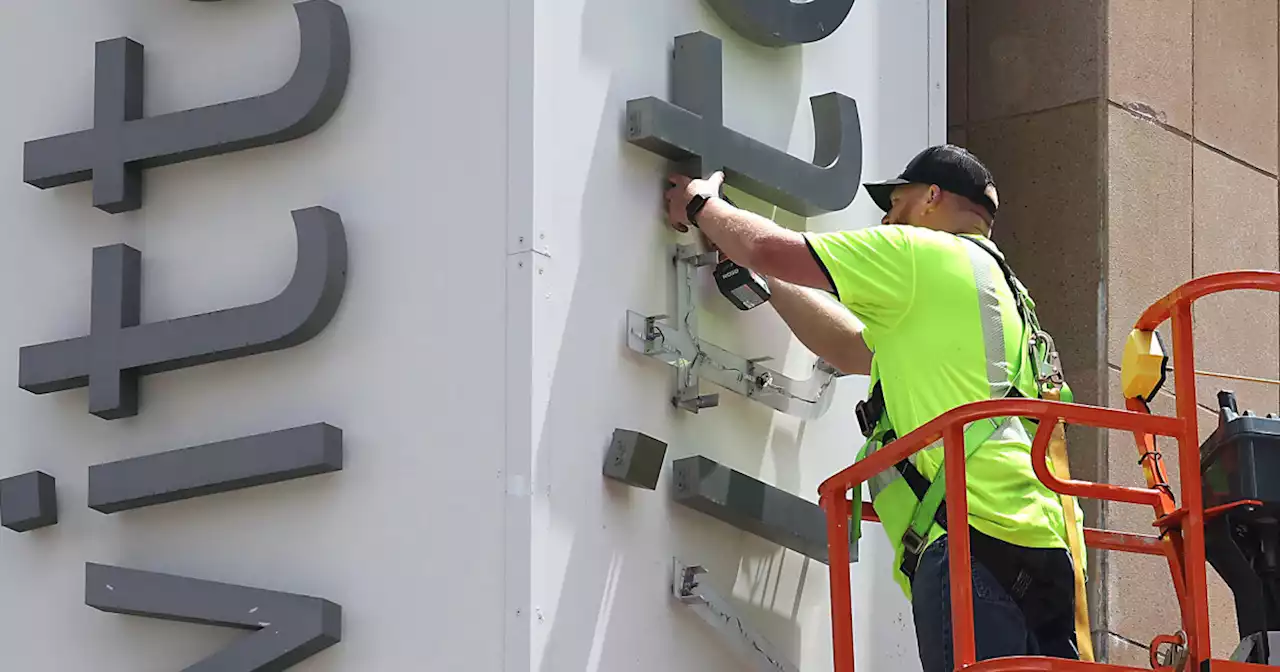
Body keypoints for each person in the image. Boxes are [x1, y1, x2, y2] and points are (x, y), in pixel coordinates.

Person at [661, 145, 1087, 671]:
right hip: (1044, 547)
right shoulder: (1003, 293)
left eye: (898, 202)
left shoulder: (917, 253)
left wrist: (704, 207)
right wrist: (771, 288)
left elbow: (770, 248)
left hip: (970, 538)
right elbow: (850, 349)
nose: (887, 218)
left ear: (932, 197)